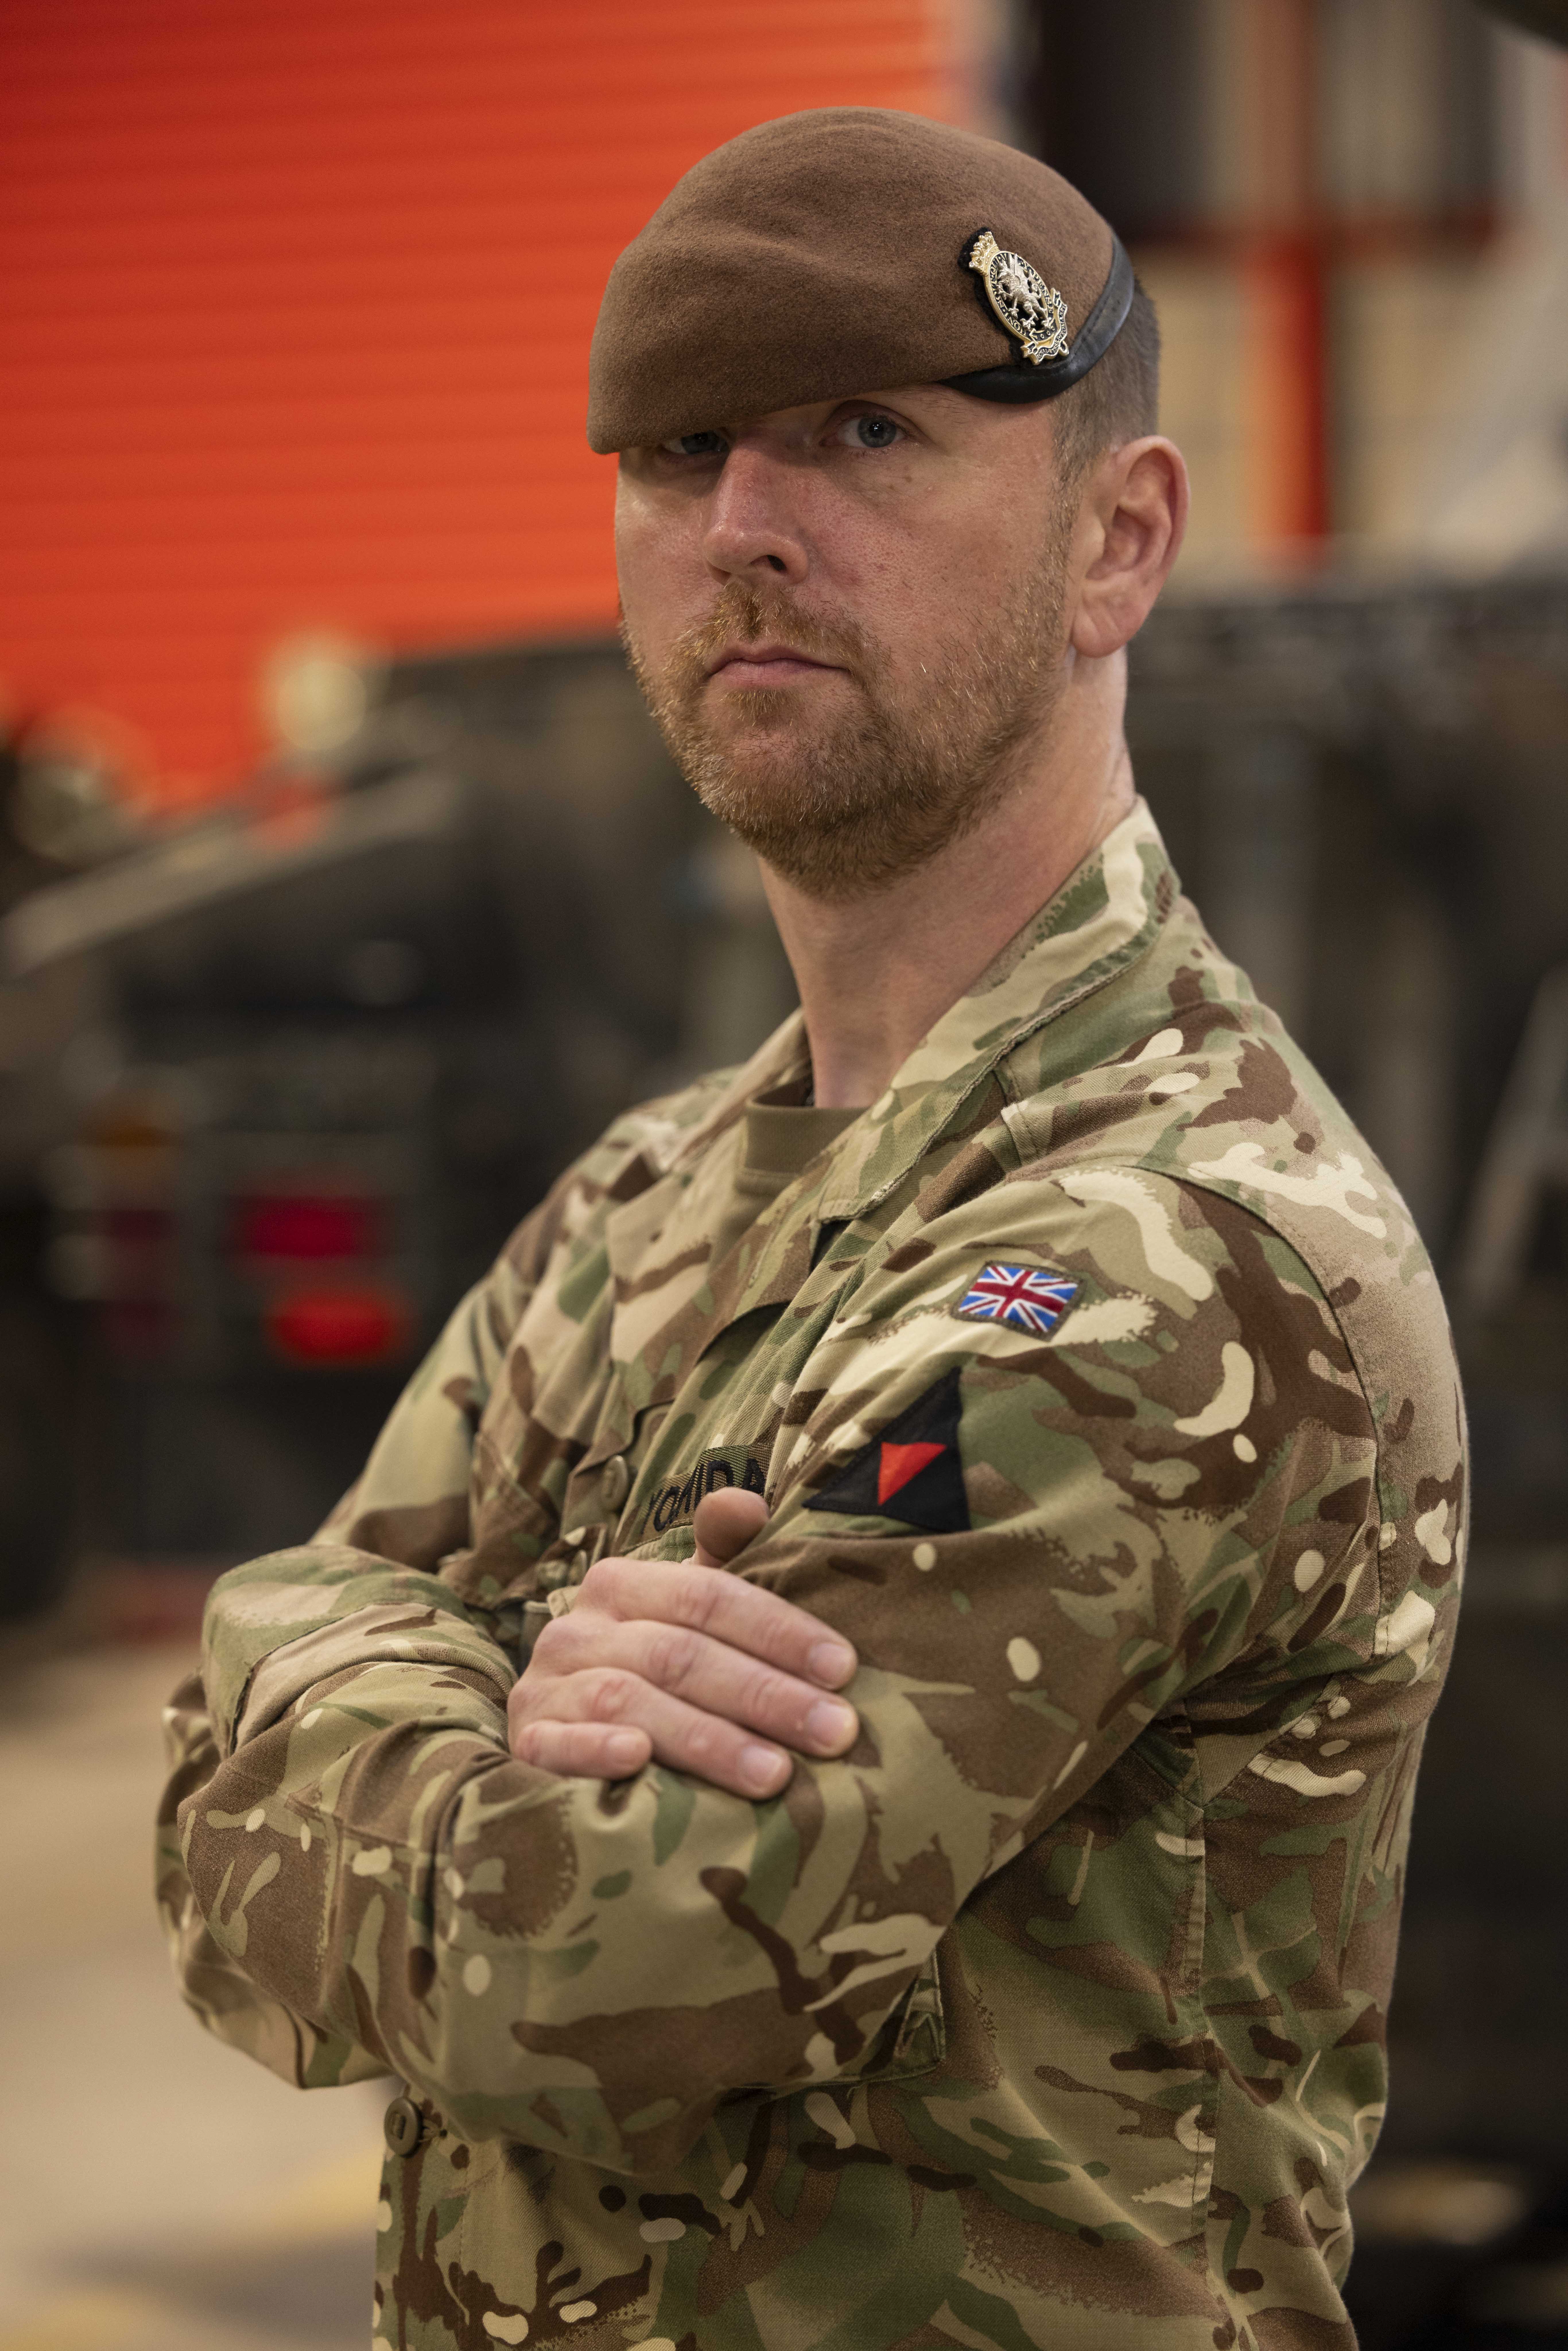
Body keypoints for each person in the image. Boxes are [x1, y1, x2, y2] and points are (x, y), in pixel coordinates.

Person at [157, 109, 1465, 2351]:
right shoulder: (650, 1190)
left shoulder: (1173, 1249)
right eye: (680, 450)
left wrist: (337, 1665)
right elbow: (201, 1804)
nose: (747, 527)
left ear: (1117, 542)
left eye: (865, 431)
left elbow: (581, 1965)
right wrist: (395, 1674)